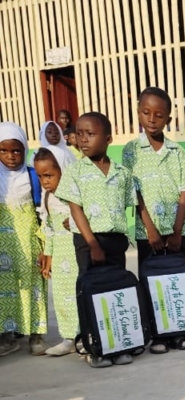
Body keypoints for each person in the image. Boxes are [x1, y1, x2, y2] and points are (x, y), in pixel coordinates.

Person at [122, 86, 185, 353]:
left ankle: (183, 330)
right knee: (152, 282)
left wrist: (177, 231)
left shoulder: (177, 151)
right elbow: (135, 193)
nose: (152, 119)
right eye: (146, 112)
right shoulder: (131, 151)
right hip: (149, 231)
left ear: (169, 118)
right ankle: (158, 334)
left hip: (179, 228)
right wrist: (151, 229)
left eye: (159, 114)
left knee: (179, 281)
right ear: (138, 113)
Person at [57, 112, 137, 368]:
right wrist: (92, 244)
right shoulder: (75, 171)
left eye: (90, 134)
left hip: (115, 240)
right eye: (80, 134)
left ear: (108, 139)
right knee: (91, 293)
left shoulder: (122, 173)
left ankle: (119, 343)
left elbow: (128, 205)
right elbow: (75, 209)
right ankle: (96, 347)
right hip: (87, 242)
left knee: (115, 292)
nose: (83, 139)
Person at [0, 122, 47, 357]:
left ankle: (36, 336)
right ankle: (7, 337)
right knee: (6, 289)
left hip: (29, 240)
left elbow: (43, 210)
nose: (11, 156)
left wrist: (45, 245)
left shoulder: (32, 176)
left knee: (33, 286)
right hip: (3, 244)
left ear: (25, 149)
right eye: (4, 151)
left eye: (17, 150)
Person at [32, 147, 78, 356]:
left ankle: (84, 336)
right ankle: (68, 338)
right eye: (40, 176)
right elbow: (49, 229)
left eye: (49, 175)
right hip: (60, 258)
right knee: (61, 298)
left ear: (63, 169)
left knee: (78, 295)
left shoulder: (74, 195)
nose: (44, 181)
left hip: (77, 254)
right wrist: (49, 256)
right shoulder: (48, 198)